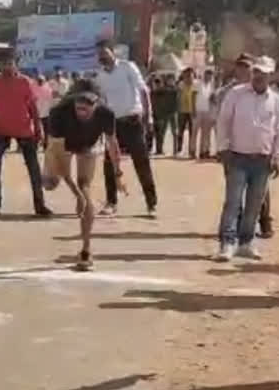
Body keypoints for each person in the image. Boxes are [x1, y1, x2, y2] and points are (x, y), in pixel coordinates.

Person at [43, 80, 123, 271]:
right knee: (50, 183)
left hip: (88, 146)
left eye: (86, 109)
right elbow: (62, 162)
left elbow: (113, 145)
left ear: (96, 105)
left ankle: (86, 250)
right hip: (61, 146)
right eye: (78, 107)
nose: (81, 112)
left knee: (86, 189)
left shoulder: (106, 114)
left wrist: (118, 173)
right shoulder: (59, 114)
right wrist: (75, 193)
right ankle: (49, 178)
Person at [213, 56, 279, 262]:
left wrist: (278, 156)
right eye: (256, 72)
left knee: (254, 205)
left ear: (270, 76)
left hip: (262, 160)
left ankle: (246, 243)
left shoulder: (275, 100)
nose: (258, 76)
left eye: (263, 73)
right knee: (233, 203)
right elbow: (224, 122)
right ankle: (227, 243)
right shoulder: (236, 94)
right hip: (237, 157)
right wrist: (223, 148)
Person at [0, 53, 50, 219]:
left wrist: (38, 129)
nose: (7, 67)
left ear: (16, 64)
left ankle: (40, 206)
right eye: (4, 64)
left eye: (10, 63)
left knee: (33, 168)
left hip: (24, 129)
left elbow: (33, 107)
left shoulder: (25, 82)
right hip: (1, 129)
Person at [93, 40, 157, 218]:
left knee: (141, 163)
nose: (102, 57)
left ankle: (151, 204)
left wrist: (149, 117)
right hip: (113, 124)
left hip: (132, 121)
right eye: (99, 55)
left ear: (113, 52)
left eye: (105, 53)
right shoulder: (100, 77)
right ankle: (111, 203)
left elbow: (144, 91)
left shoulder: (128, 67)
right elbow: (101, 102)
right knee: (109, 164)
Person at [151, 73, 179, 155]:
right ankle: (160, 150)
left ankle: (175, 150)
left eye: (172, 79)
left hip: (173, 112)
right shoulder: (163, 90)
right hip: (165, 113)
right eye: (169, 79)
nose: (170, 81)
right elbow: (156, 91)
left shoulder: (176, 89)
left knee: (175, 132)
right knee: (162, 132)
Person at [191, 69, 216, 159]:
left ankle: (203, 152)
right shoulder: (197, 83)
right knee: (195, 132)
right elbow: (193, 96)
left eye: (210, 76)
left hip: (207, 111)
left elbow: (211, 98)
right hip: (197, 110)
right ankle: (192, 151)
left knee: (205, 133)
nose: (209, 77)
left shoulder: (210, 86)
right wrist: (193, 109)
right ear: (204, 75)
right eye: (207, 75)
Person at [175, 68, 197, 156]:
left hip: (192, 111)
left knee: (192, 132)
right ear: (183, 76)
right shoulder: (180, 85)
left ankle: (191, 151)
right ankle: (179, 149)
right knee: (180, 131)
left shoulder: (196, 84)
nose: (188, 77)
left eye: (190, 76)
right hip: (182, 111)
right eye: (186, 75)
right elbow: (178, 97)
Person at [32, 73, 54, 144]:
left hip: (46, 113)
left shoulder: (48, 89)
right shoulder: (33, 88)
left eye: (41, 80)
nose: (40, 82)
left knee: (46, 130)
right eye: (39, 80)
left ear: (44, 81)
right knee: (37, 129)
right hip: (36, 113)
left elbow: (51, 100)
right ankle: (37, 141)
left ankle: (45, 143)